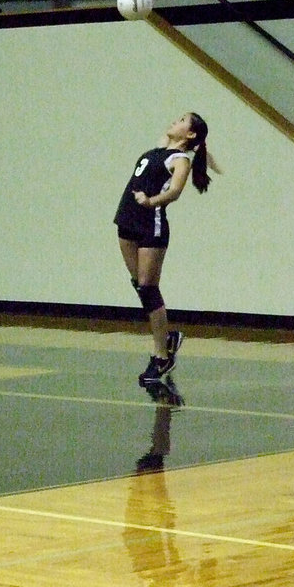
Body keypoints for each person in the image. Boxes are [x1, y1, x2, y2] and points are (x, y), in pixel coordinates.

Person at [114, 112, 219, 385]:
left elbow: (175, 192)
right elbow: (200, 149)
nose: (175, 120)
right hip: (126, 220)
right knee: (139, 284)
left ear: (190, 134)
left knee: (149, 288)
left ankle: (161, 357)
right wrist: (205, 153)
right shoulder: (163, 147)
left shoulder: (179, 159)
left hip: (151, 224)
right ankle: (169, 336)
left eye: (183, 120)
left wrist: (150, 202)